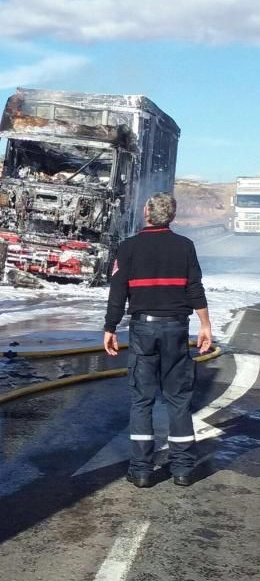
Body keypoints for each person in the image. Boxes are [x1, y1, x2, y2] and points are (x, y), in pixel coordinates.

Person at [104, 192, 212, 489]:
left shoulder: (128, 248)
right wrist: (204, 325)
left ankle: (141, 470)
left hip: (143, 330)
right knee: (179, 399)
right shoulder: (185, 247)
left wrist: (110, 327)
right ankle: (182, 470)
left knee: (142, 399)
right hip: (176, 329)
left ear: (146, 213)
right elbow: (195, 289)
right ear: (172, 217)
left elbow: (117, 293)